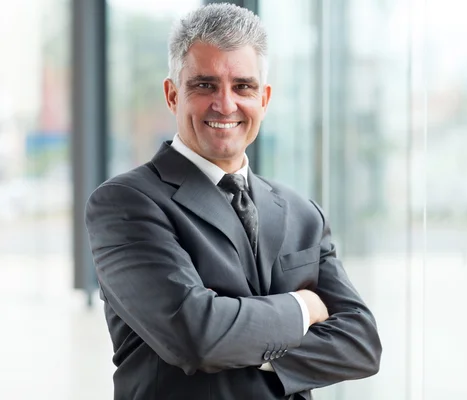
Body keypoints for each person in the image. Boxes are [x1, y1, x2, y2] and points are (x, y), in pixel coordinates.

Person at [85, 3, 381, 400]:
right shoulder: (125, 204)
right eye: (204, 85)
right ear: (173, 95)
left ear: (265, 98)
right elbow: (195, 335)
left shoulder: (302, 213)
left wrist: (241, 341)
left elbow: (360, 343)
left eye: (243, 86)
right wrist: (302, 309)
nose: (225, 105)